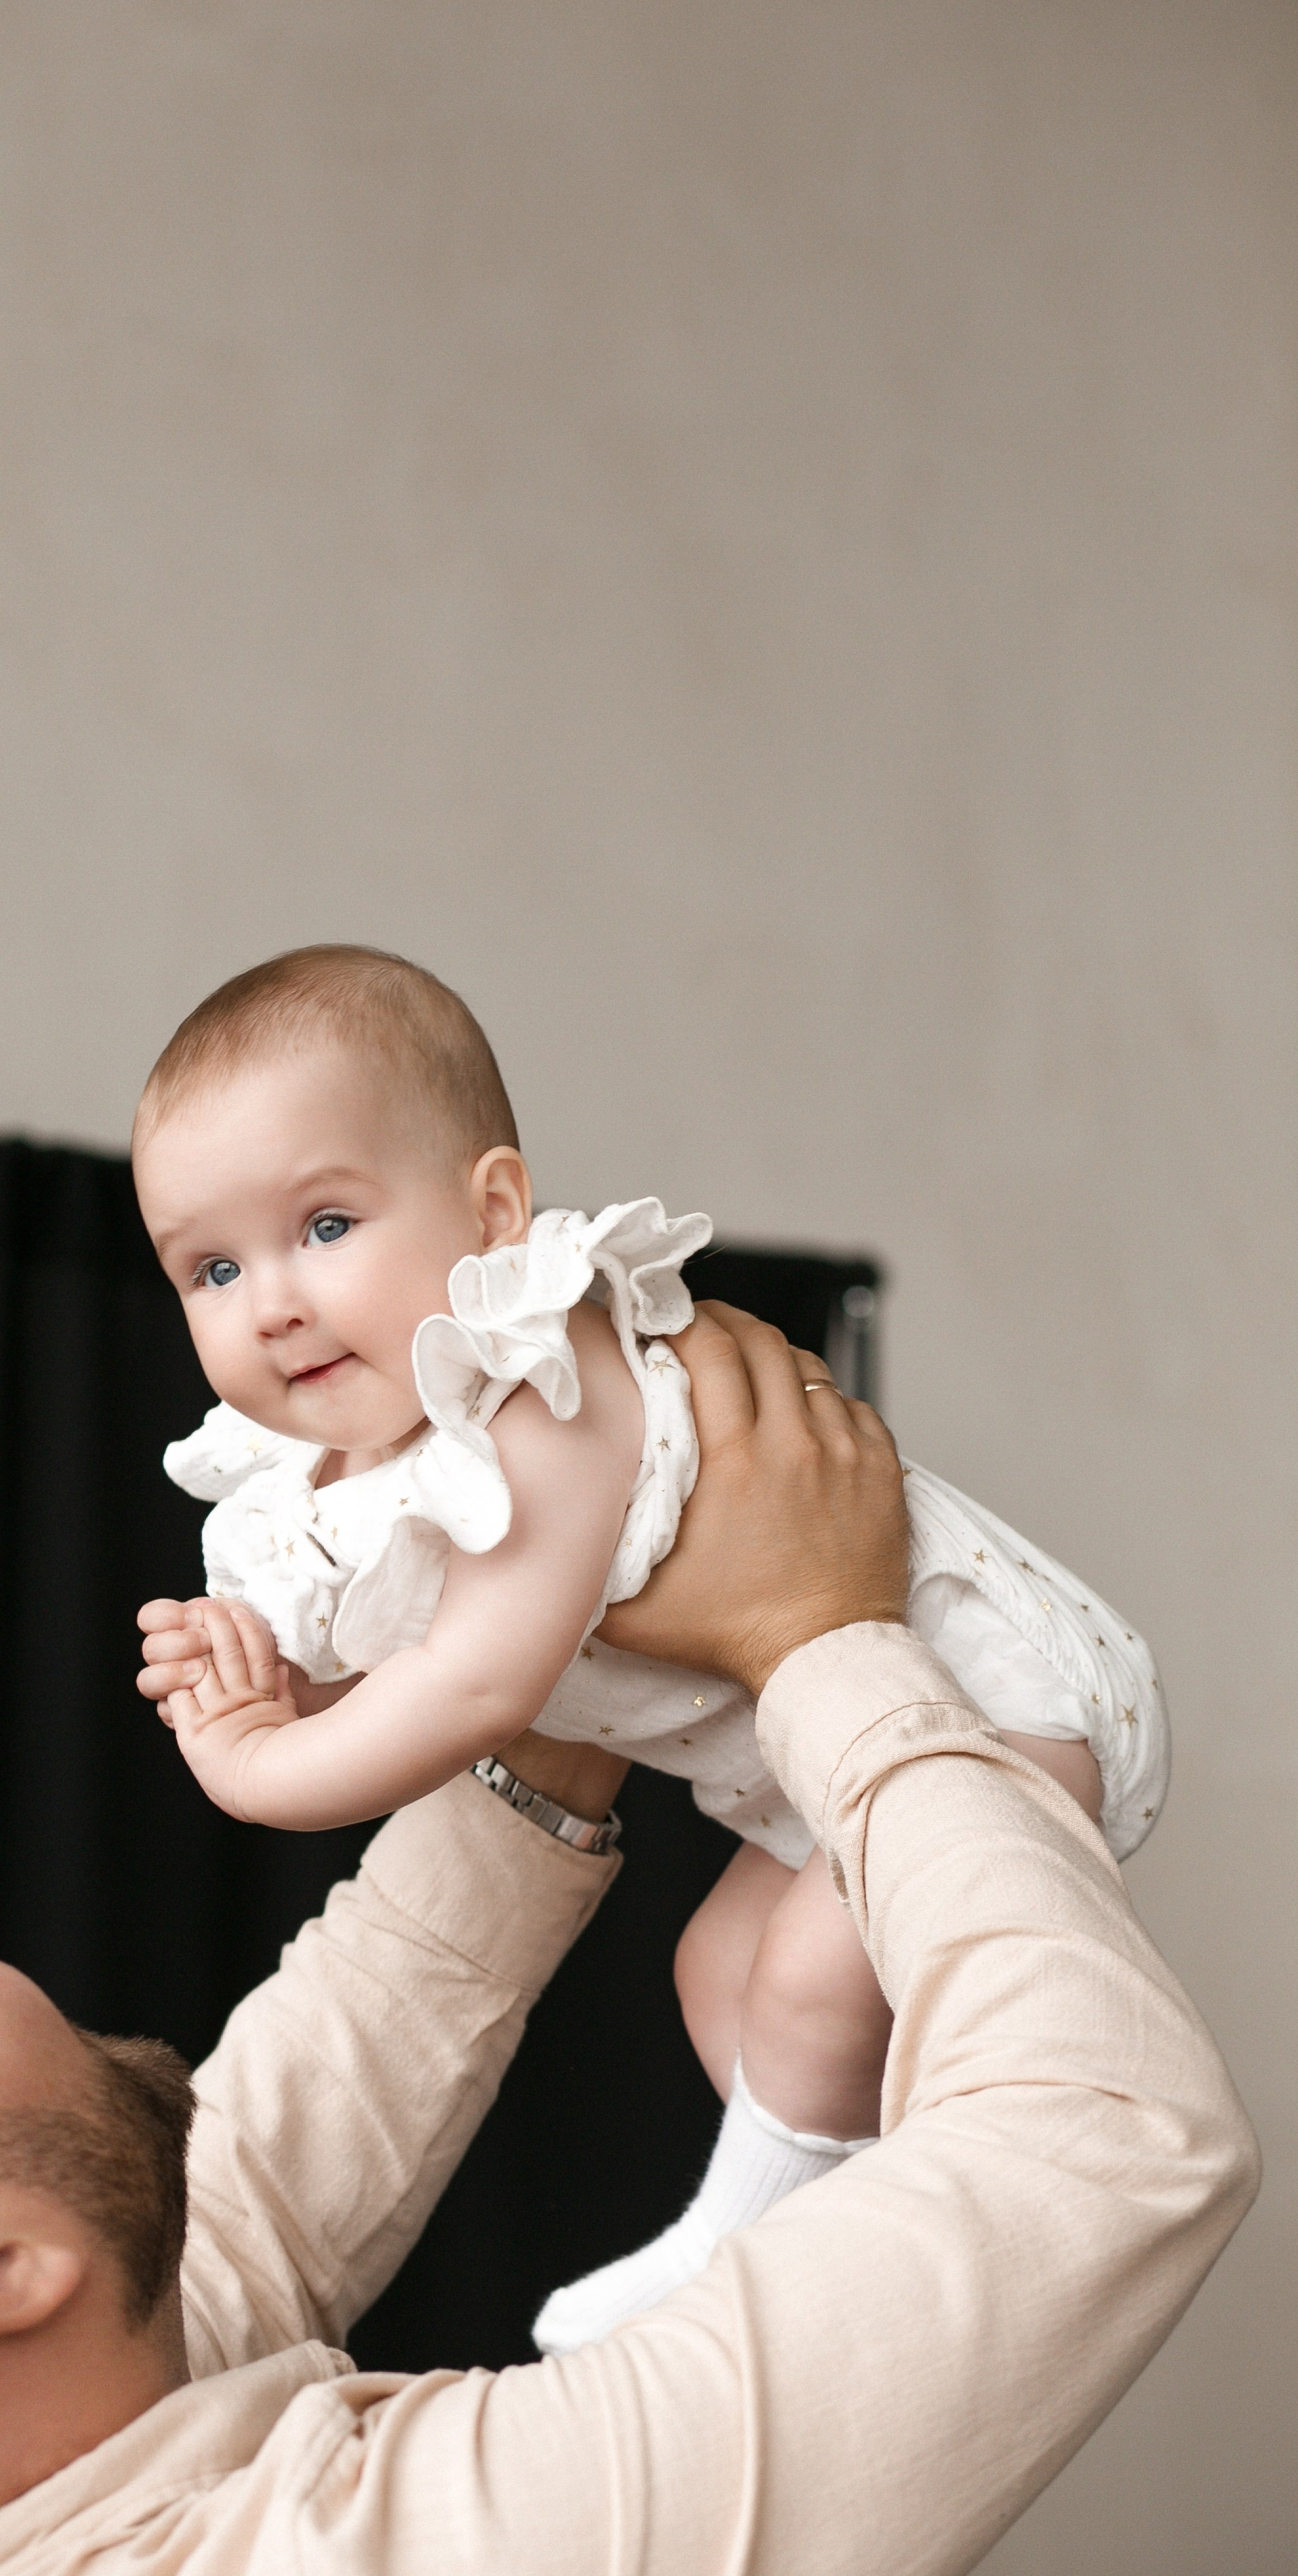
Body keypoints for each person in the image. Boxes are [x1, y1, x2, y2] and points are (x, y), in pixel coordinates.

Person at [0, 1300, 1255, 2576]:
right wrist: (820, 1635)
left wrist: (539, 1651)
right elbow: (1101, 2143)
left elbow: (267, 2184)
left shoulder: (5, 2456)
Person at [130, 944, 1169, 2350]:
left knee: (804, 1988)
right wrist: (276, 1678)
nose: (270, 1300)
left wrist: (260, 1765)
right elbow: (420, 1661)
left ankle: (735, 2267)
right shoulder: (377, 1463)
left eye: (323, 1225)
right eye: (209, 1267)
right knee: (718, 1975)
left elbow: (480, 1684)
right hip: (817, 1774)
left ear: (492, 1210)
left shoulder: (539, 1394)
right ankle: (842, 2251)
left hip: (1002, 1703)